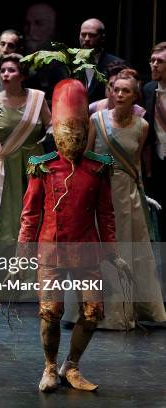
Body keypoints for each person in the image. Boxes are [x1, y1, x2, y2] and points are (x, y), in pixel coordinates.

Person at [18, 78, 127, 392]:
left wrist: (113, 251)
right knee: (50, 312)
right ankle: (50, 366)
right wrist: (21, 253)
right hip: (51, 250)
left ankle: (72, 364)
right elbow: (30, 214)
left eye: (79, 132)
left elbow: (106, 214)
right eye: (67, 131)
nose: (73, 138)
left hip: (88, 251)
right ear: (55, 131)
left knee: (92, 312)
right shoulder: (42, 166)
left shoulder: (97, 167)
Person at [87, 69, 166, 329]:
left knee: (128, 250)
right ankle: (94, 310)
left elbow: (136, 165)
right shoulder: (96, 120)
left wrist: (143, 194)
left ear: (135, 96)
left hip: (127, 194)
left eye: (125, 91)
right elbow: (87, 157)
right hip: (100, 189)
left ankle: (127, 310)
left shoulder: (142, 126)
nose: (119, 94)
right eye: (115, 90)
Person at [0, 54, 51, 247]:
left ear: (22, 75)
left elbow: (51, 124)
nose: (5, 74)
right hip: (5, 164)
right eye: (3, 70)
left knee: (35, 212)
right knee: (5, 216)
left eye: (11, 70)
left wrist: (48, 136)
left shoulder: (37, 98)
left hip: (34, 163)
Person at [143, 42, 166, 251]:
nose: (154, 65)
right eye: (152, 61)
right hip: (157, 165)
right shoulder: (148, 90)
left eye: (160, 61)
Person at [79, 18, 125, 103]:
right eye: (83, 34)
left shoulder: (117, 64)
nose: (86, 39)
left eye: (92, 35)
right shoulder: (70, 63)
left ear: (102, 37)